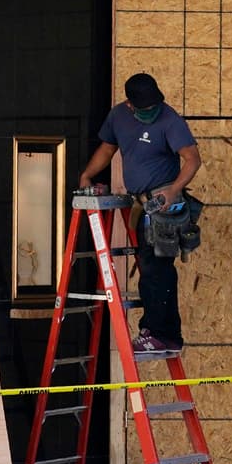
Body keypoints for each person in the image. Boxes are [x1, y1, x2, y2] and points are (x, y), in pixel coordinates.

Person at [78, 72, 200, 353]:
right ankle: (165, 334)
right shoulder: (118, 117)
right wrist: (87, 175)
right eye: (143, 108)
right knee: (152, 268)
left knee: (156, 269)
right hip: (141, 203)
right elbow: (107, 149)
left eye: (153, 106)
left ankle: (158, 332)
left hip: (164, 205)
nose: (151, 112)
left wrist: (174, 190)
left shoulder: (169, 119)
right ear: (130, 105)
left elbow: (192, 159)